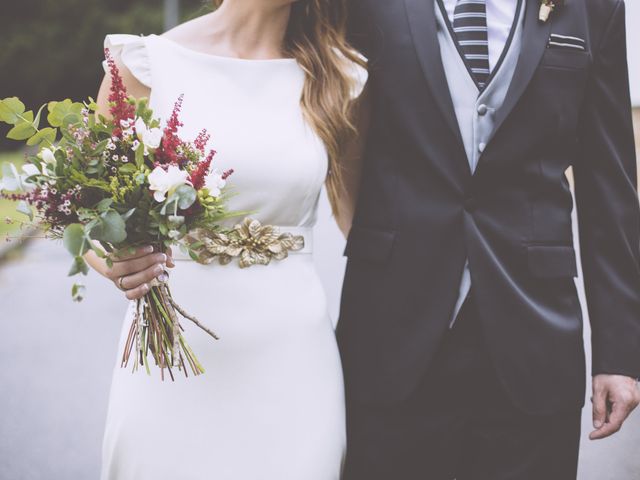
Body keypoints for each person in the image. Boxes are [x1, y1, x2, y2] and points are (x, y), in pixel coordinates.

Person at [338, 0, 640, 478]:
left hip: (535, 335)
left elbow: (610, 184)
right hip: (391, 330)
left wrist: (619, 354)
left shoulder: (593, 8)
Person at [87, 1, 367, 478]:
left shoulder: (339, 77)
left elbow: (364, 226)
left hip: (293, 362)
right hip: (171, 356)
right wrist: (112, 261)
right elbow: (91, 213)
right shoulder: (144, 63)